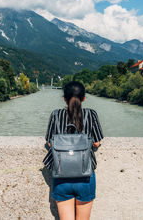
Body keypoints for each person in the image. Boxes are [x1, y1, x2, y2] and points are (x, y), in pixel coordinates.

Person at [43, 81, 104, 220]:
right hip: (85, 176)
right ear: (84, 98)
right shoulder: (91, 114)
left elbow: (50, 143)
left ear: (64, 98)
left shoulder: (56, 115)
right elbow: (97, 142)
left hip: (61, 176)